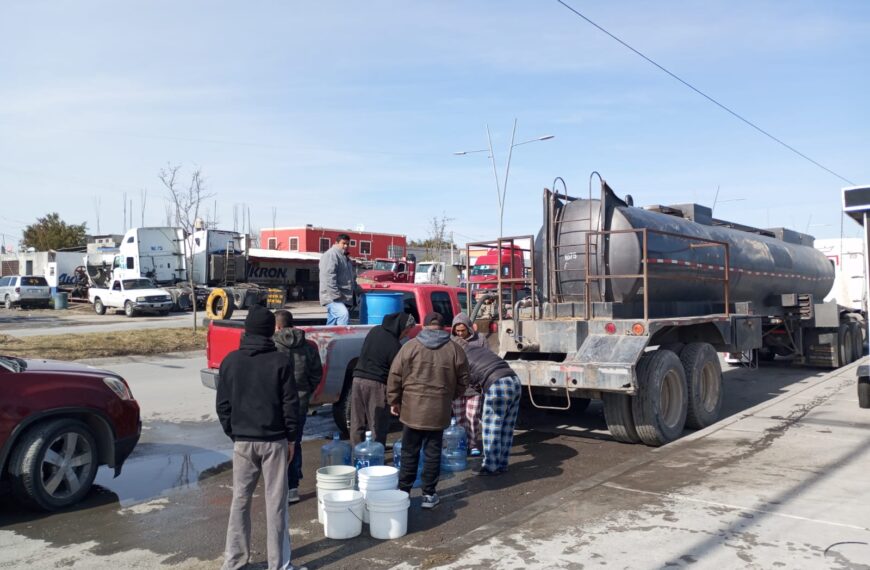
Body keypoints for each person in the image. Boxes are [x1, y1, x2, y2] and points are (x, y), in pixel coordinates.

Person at [216, 305, 305, 570]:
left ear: (246, 331)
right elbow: (291, 404)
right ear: (270, 332)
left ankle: (234, 562)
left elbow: (223, 406)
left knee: (240, 501)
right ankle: (279, 565)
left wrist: (235, 433)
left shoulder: (230, 361)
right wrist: (291, 440)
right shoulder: (280, 361)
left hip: (243, 441)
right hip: (275, 441)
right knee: (276, 504)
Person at [387, 312, 469, 509]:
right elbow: (464, 380)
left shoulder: (410, 347)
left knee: (409, 452)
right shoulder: (455, 349)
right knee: (433, 453)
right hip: (438, 410)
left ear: (423, 326)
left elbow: (395, 375)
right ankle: (429, 495)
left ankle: (404, 492)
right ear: (444, 328)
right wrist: (449, 396)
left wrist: (394, 400)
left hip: (411, 410)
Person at [453, 331, 522, 476]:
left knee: (491, 427)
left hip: (497, 384)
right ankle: (502, 464)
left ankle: (490, 467)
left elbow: (466, 382)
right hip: (514, 381)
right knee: (506, 427)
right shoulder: (479, 350)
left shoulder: (462, 358)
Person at [274, 309, 323, 504]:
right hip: (300, 403)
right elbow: (316, 373)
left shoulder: (272, 345)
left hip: (277, 404)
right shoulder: (309, 346)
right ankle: (293, 487)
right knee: (295, 443)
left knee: (277, 445)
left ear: (277, 326)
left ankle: (277, 487)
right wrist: (306, 392)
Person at [350, 311, 416, 446]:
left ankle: (357, 455)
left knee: (357, 422)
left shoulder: (375, 330)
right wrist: (396, 399)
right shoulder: (395, 345)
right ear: (401, 327)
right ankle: (376, 457)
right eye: (407, 330)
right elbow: (396, 375)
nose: (407, 334)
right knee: (377, 425)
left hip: (357, 379)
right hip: (377, 384)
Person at [450, 313, 487, 456]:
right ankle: (461, 445)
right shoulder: (450, 342)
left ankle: (472, 444)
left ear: (469, 329)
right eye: (457, 331)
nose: (460, 334)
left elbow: (487, 358)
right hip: (457, 388)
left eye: (462, 331)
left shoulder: (480, 339)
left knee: (472, 417)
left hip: (474, 387)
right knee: (459, 419)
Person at [319, 233, 357, 325]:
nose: (346, 246)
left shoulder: (346, 258)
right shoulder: (331, 255)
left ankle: (327, 338)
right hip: (333, 297)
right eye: (343, 243)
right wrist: (336, 295)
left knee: (332, 322)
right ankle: (342, 338)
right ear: (336, 243)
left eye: (348, 244)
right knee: (343, 314)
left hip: (342, 297)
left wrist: (358, 290)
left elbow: (351, 278)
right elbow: (328, 277)